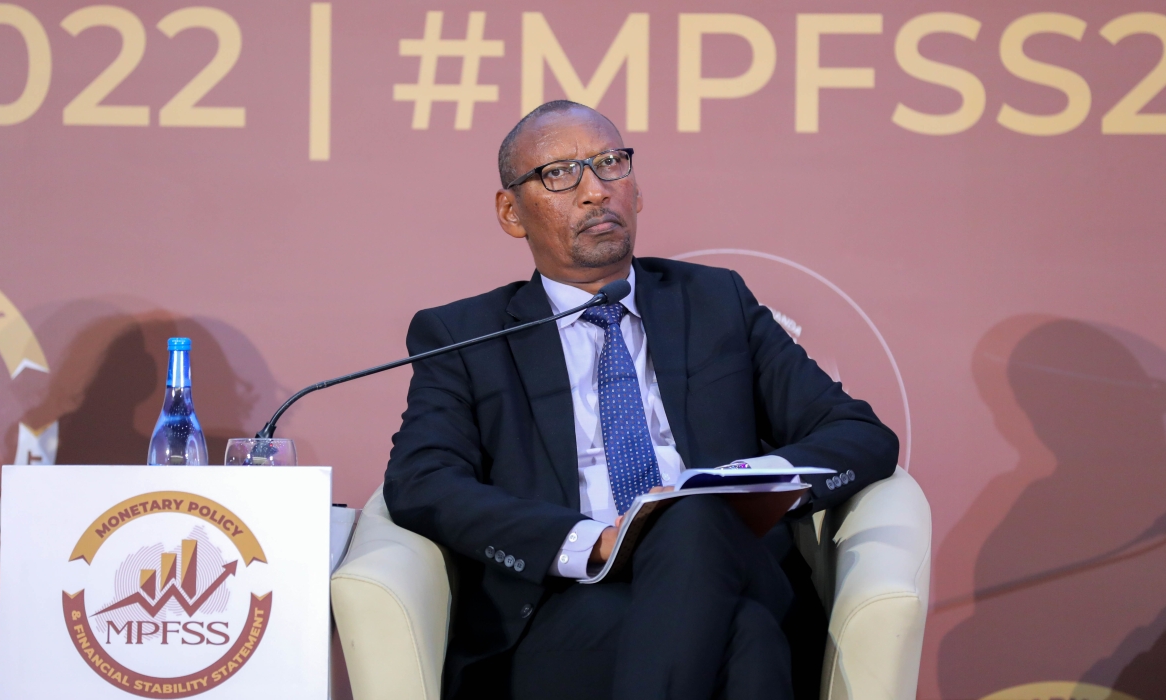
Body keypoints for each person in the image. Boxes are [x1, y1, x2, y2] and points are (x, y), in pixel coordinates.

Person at [383, 100, 899, 700]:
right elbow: (422, 480)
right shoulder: (466, 334)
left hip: (732, 565)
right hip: (564, 607)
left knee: (695, 515)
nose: (595, 191)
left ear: (637, 188)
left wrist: (729, 486)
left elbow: (859, 434)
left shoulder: (714, 303)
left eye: (610, 165)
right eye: (560, 174)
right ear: (511, 212)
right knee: (749, 638)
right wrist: (593, 541)